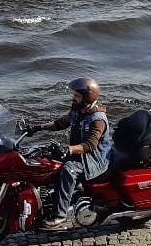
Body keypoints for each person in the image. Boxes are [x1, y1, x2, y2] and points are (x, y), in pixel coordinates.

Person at [30, 77, 113, 230]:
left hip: (93, 161)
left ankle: (60, 216)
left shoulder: (98, 119)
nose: (73, 98)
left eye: (77, 96)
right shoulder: (78, 109)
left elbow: (90, 145)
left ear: (86, 97)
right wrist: (36, 128)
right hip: (80, 154)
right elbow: (60, 123)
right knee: (45, 160)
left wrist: (68, 150)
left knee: (69, 170)